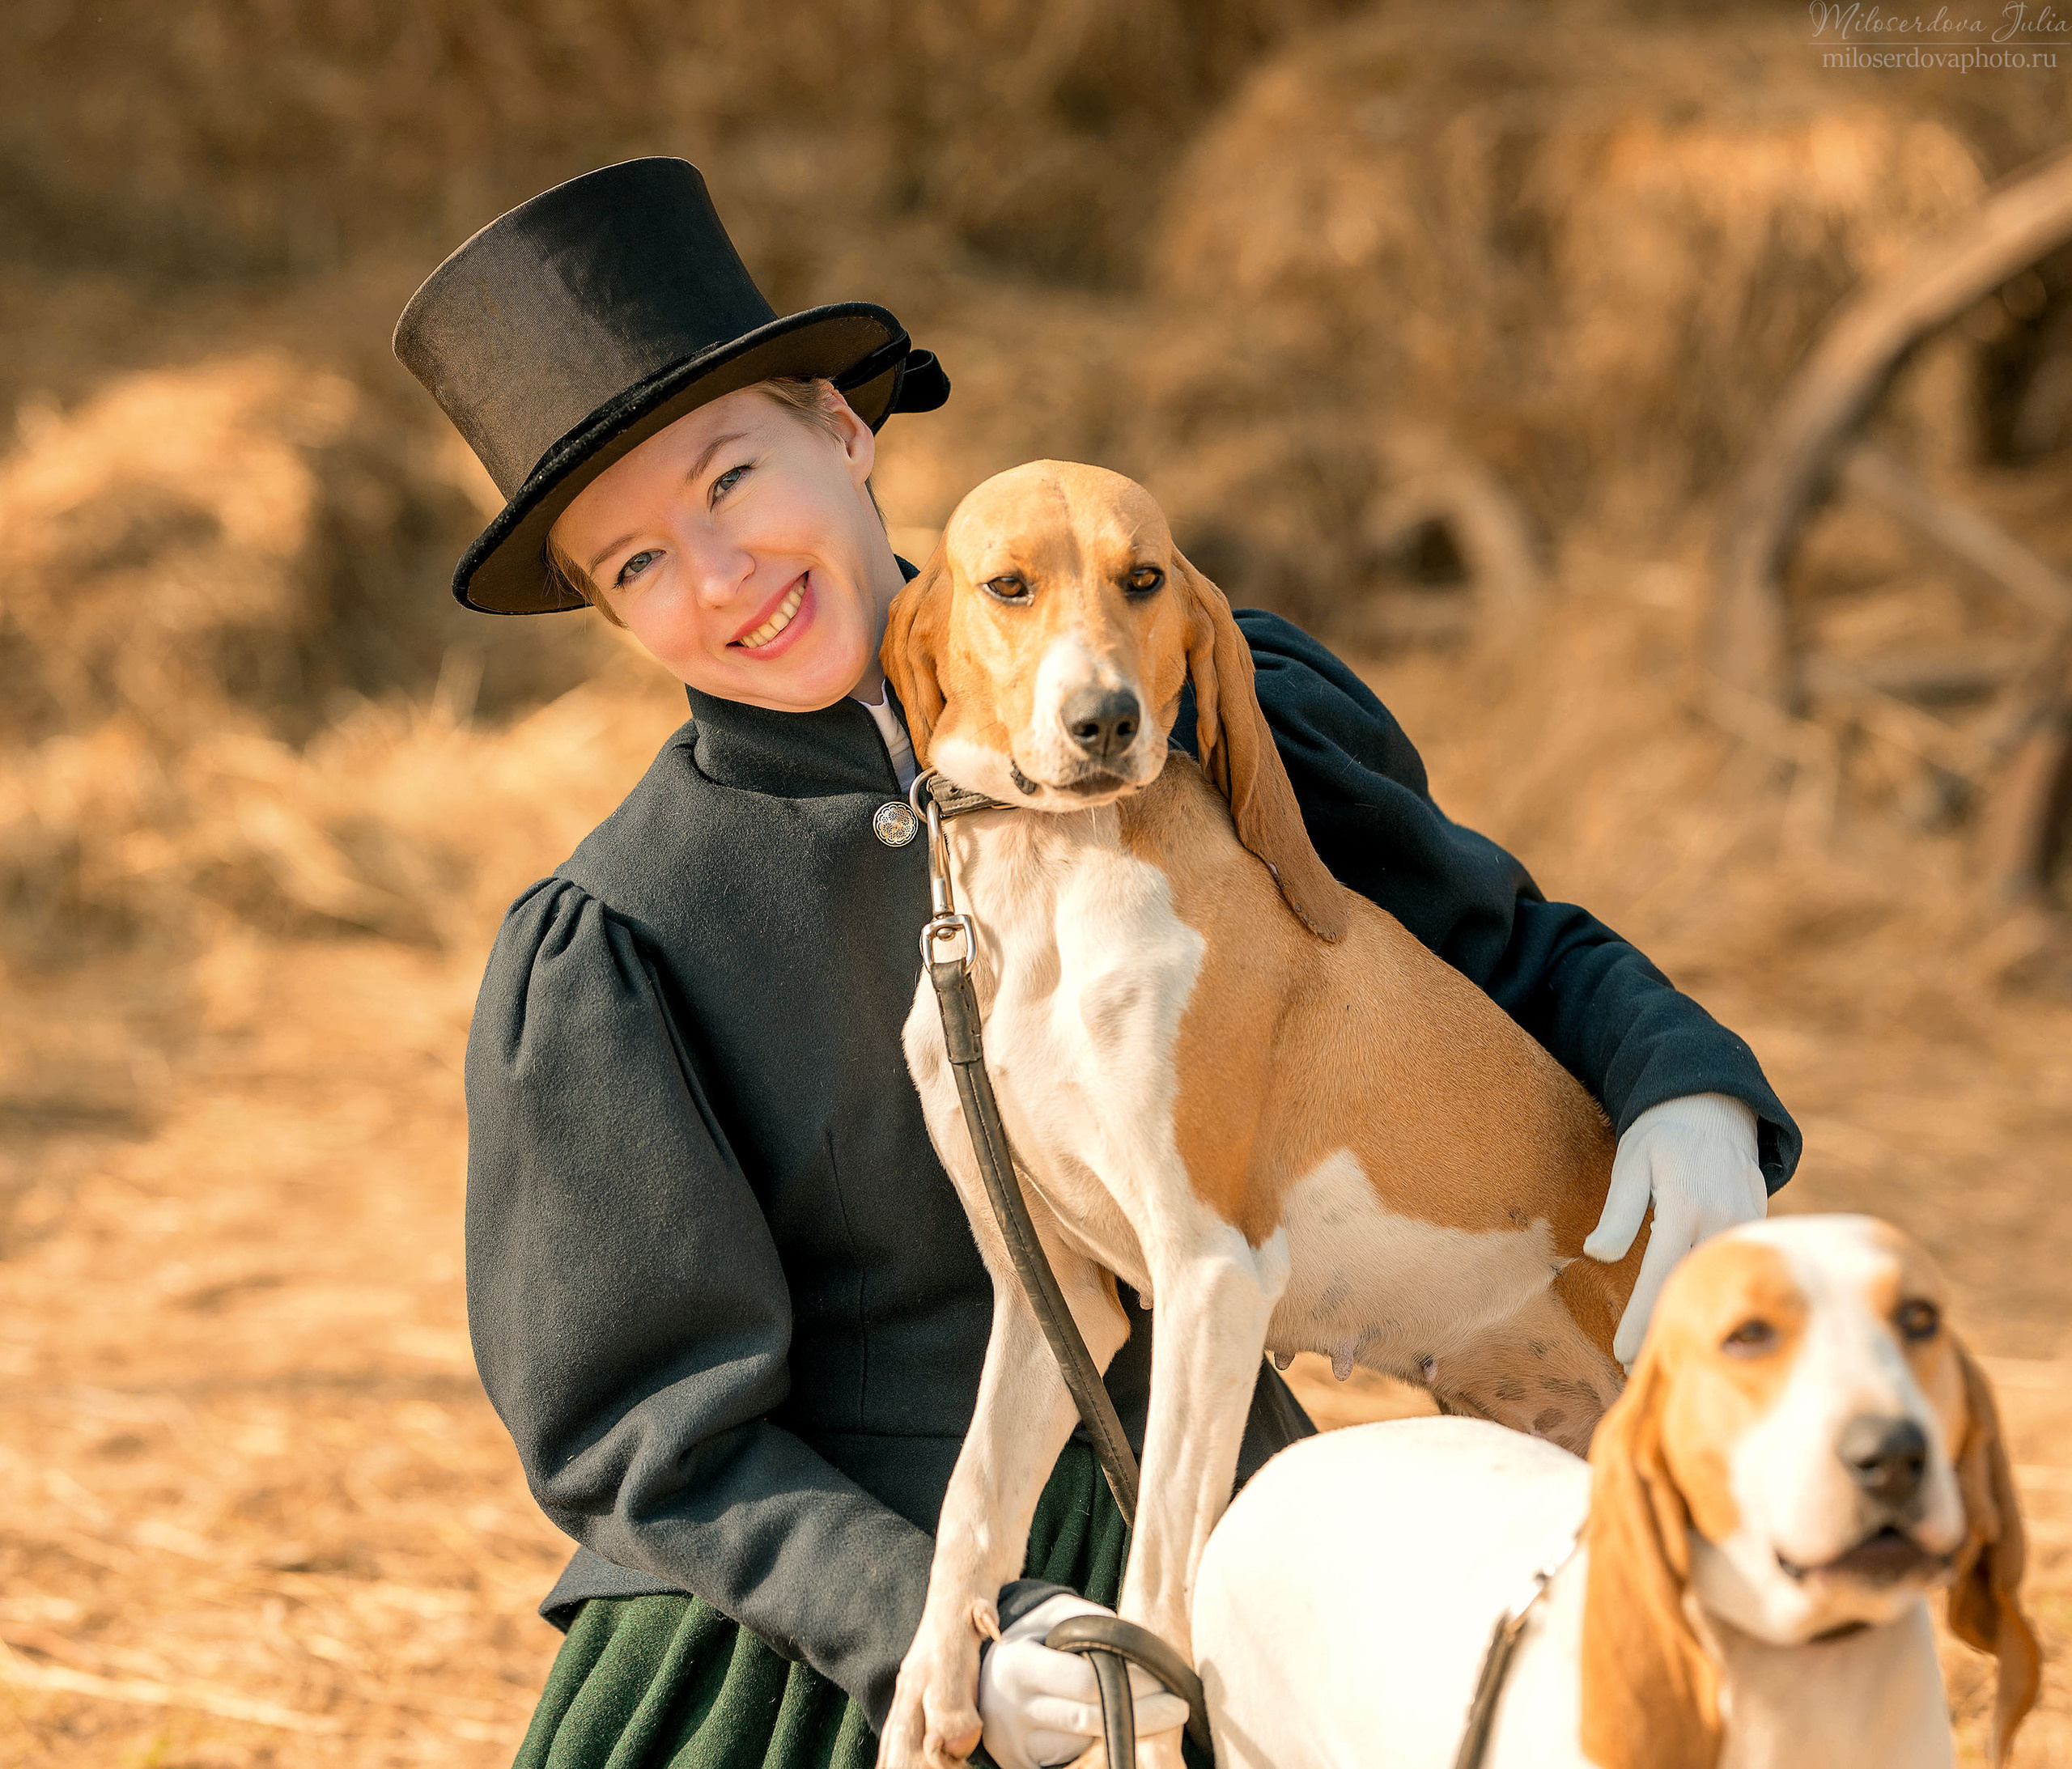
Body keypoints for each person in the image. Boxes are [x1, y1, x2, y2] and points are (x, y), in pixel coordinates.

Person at [393, 159, 1799, 1769]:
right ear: (605, 615)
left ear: (842, 436)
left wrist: (1678, 1083)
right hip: (807, 1652)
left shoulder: (1186, 691)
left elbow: (1495, 945)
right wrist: (930, 1634)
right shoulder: (620, 938)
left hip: (1210, 1535)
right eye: (635, 563)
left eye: (729, 481)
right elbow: (641, 1435)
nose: (717, 576)